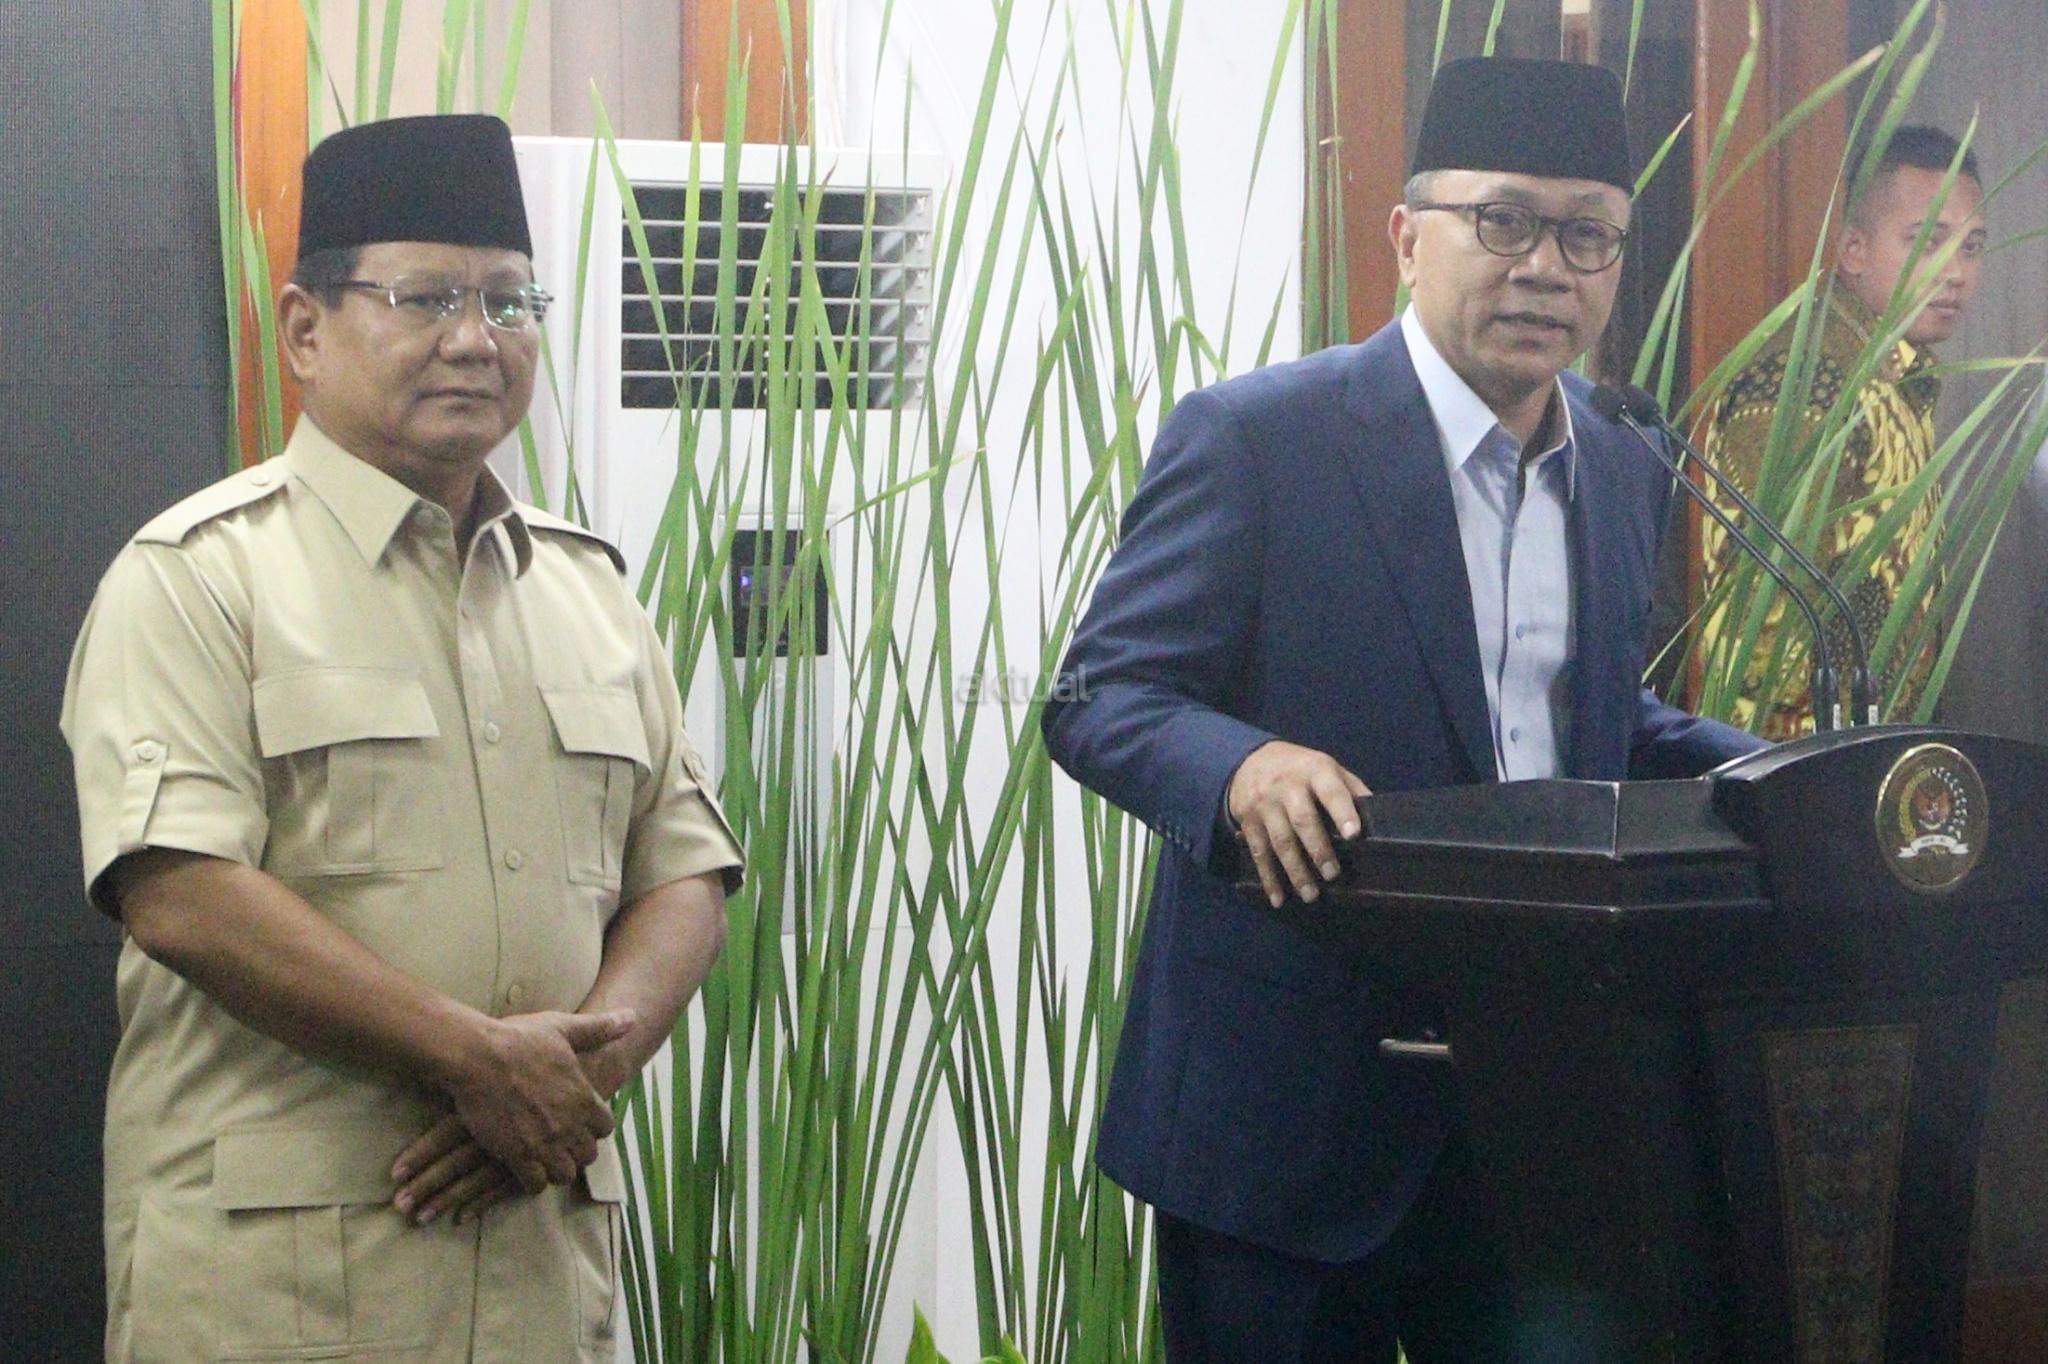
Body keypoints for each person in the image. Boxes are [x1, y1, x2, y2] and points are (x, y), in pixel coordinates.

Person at [1041, 57, 1763, 1362]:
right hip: (1286, 1125)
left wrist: (1790, 777)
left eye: (1587, 234)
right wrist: (1240, 767)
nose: (1544, 266)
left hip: (1533, 1122)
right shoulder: (1260, 438)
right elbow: (1100, 693)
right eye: (1503, 220)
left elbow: (1596, 722)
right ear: (1406, 234)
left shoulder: (1622, 457)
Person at [61, 114, 744, 1363]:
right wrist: (473, 1060)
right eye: (425, 297)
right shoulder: (201, 576)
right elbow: (180, 892)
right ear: (305, 330)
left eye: (509, 301)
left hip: (535, 1267)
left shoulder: (589, 589)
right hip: (280, 1288)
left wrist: (565, 1082)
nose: (476, 340)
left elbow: (685, 872)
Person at [1696, 125, 1986, 738]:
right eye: (1928, 241)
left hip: (1874, 760)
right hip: (1806, 769)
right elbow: (1763, 634)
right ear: (1854, 249)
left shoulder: (1895, 373)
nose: (1957, 272)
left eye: (1972, 247)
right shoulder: (1809, 381)